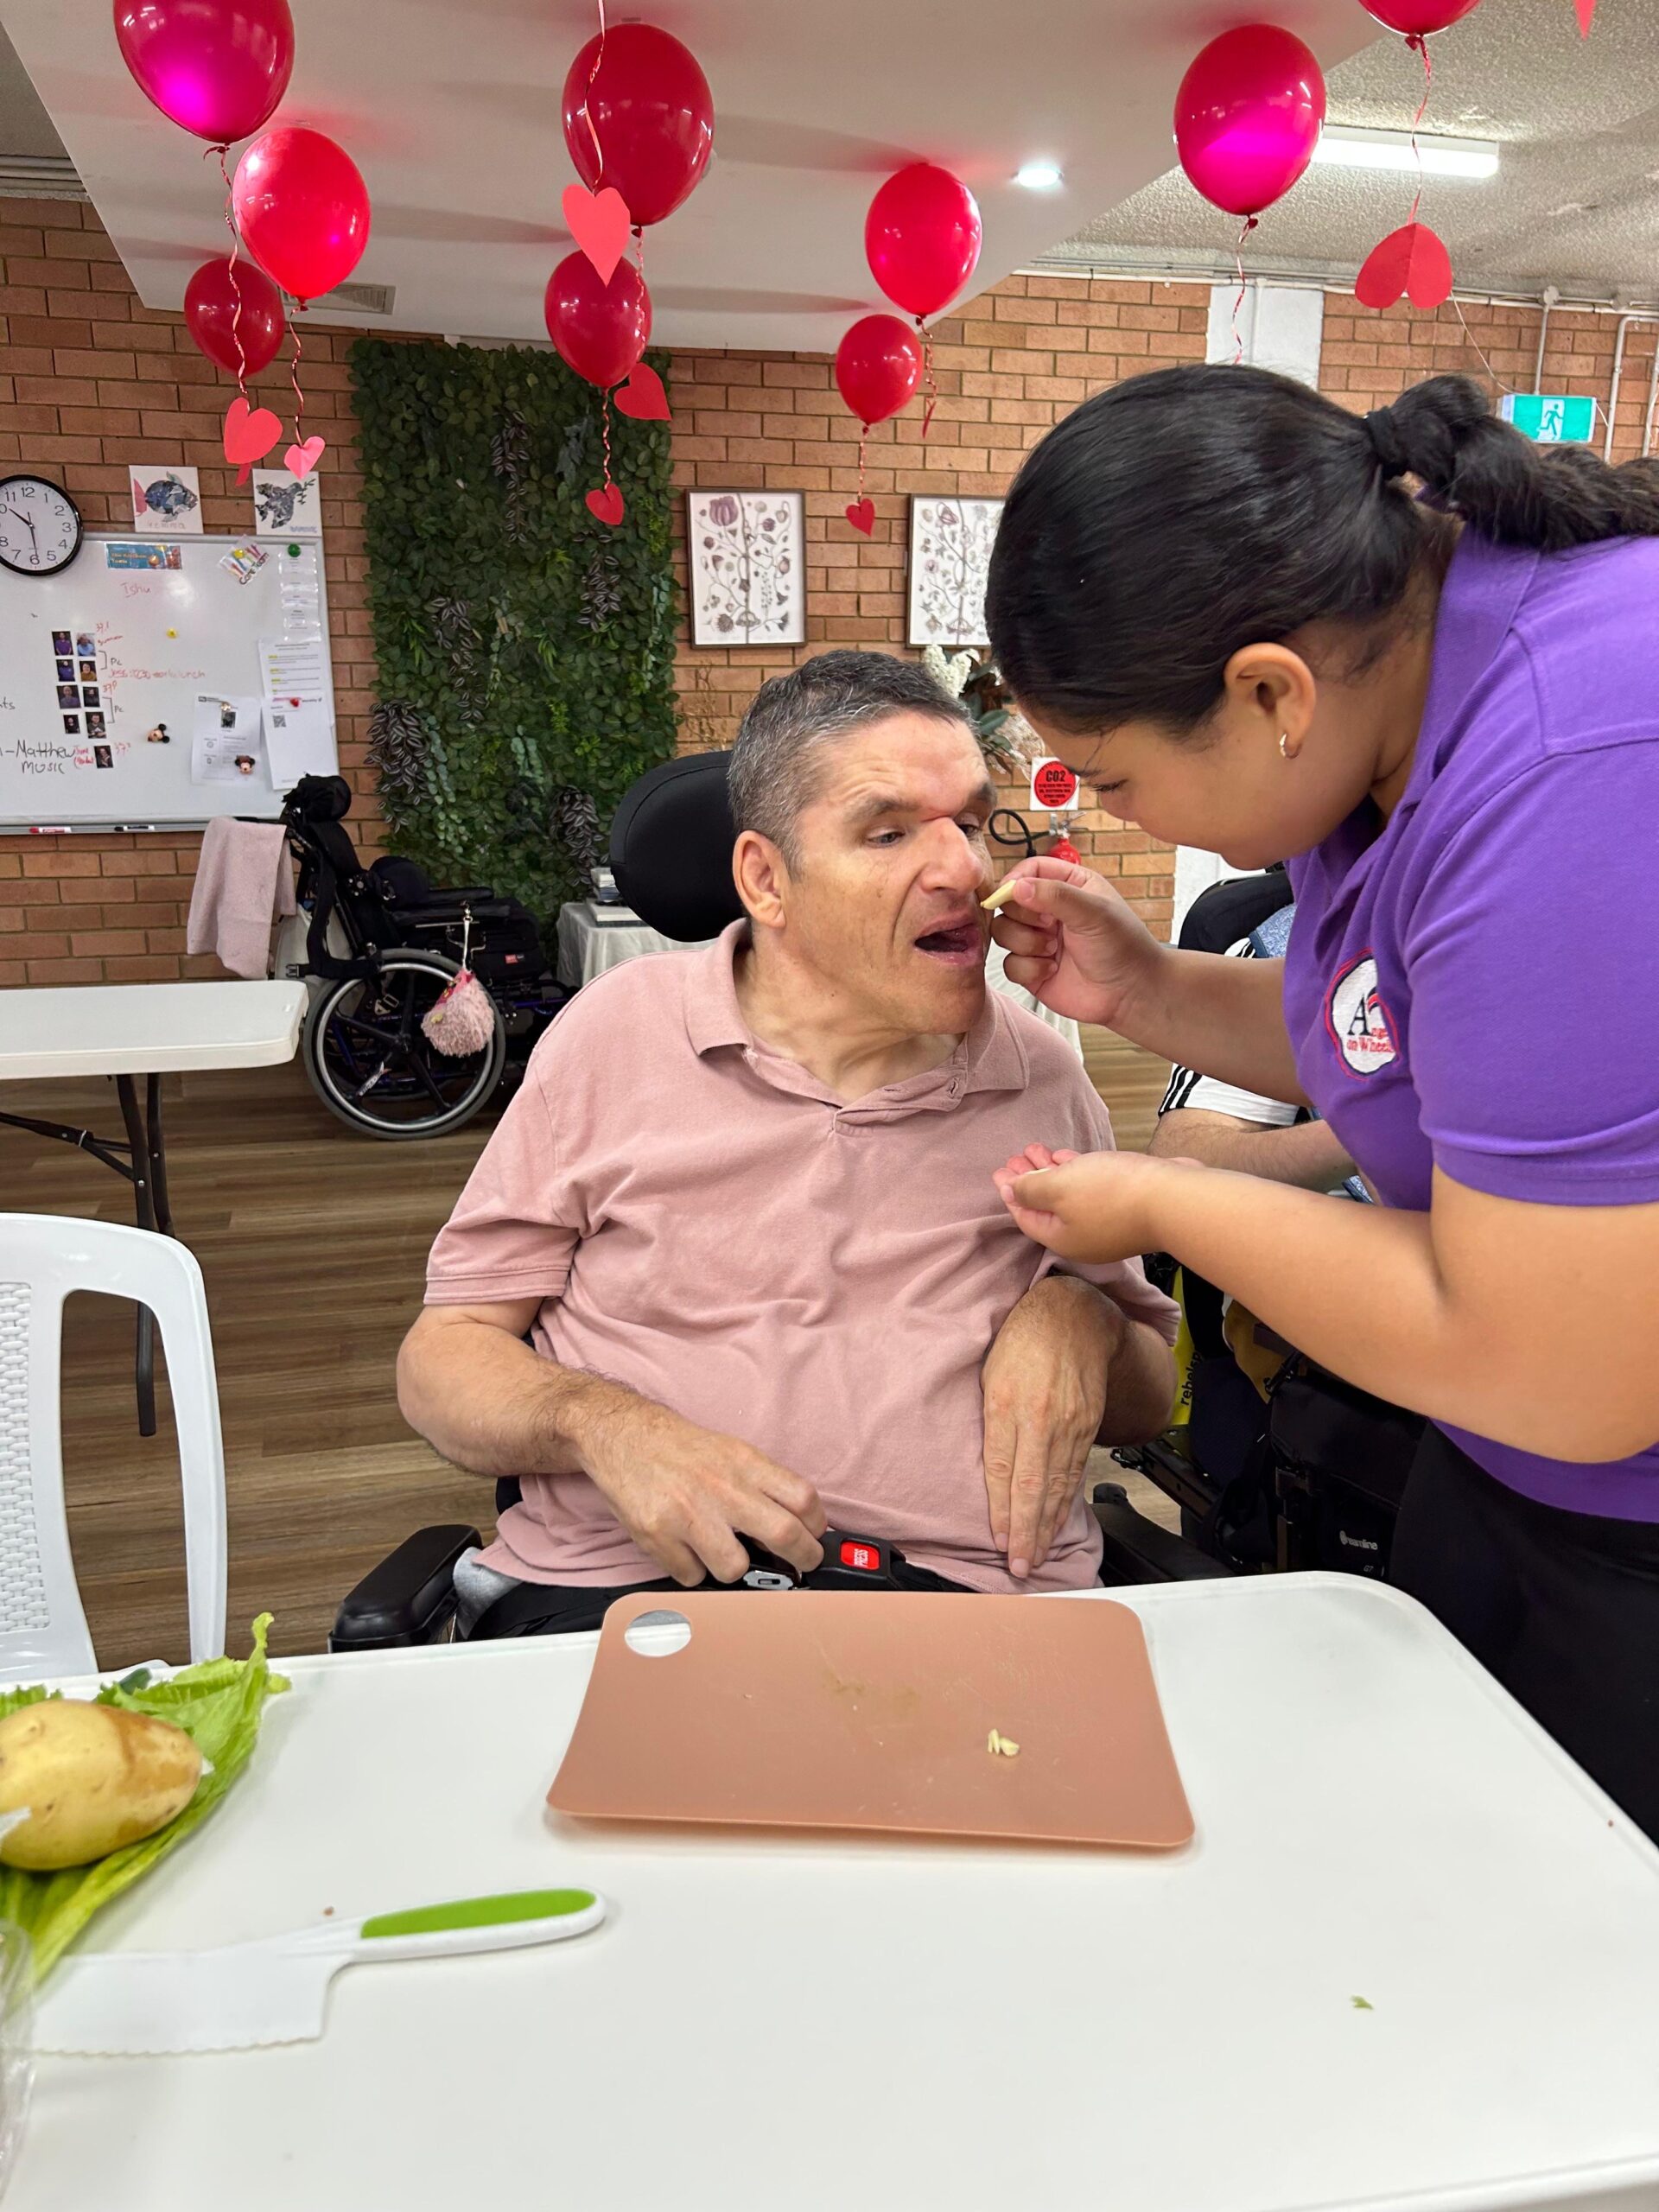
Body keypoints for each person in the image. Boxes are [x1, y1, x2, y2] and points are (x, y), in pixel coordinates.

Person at [982, 365, 1659, 1835]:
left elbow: (1557, 1366)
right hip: (1497, 1465)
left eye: (1112, 779)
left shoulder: (1575, 764)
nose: (1109, 817)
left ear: (1270, 693)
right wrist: (1155, 989)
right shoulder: (1395, 703)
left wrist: (1172, 1201)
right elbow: (1438, 1051)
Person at [397, 651, 1177, 1636]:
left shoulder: (1040, 1075)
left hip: (964, 1614)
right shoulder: (614, 1035)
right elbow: (443, 1357)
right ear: (766, 879)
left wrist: (1086, 1318)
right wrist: (604, 1426)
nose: (965, 871)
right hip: (626, 1597)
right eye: (889, 831)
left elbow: (1148, 1400)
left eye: (972, 824)